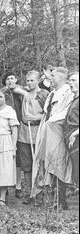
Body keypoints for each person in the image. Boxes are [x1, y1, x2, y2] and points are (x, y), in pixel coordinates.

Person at [32, 67, 74, 210]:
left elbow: (66, 113)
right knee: (47, 163)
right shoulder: (52, 94)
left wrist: (51, 122)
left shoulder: (68, 93)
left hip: (58, 131)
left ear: (61, 78)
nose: (51, 78)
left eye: (53, 76)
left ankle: (62, 200)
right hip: (47, 131)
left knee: (58, 164)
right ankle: (50, 198)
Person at [11, 71, 49, 201]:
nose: (29, 83)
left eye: (32, 80)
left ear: (38, 80)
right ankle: (29, 192)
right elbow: (12, 88)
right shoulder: (23, 92)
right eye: (27, 80)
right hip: (24, 132)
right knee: (26, 164)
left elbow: (48, 114)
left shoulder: (44, 94)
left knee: (38, 163)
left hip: (37, 130)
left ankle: (40, 192)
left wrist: (35, 117)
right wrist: (25, 93)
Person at [64, 71, 79, 186]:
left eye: (74, 80)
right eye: (69, 80)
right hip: (70, 139)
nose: (70, 83)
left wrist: (75, 134)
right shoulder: (74, 99)